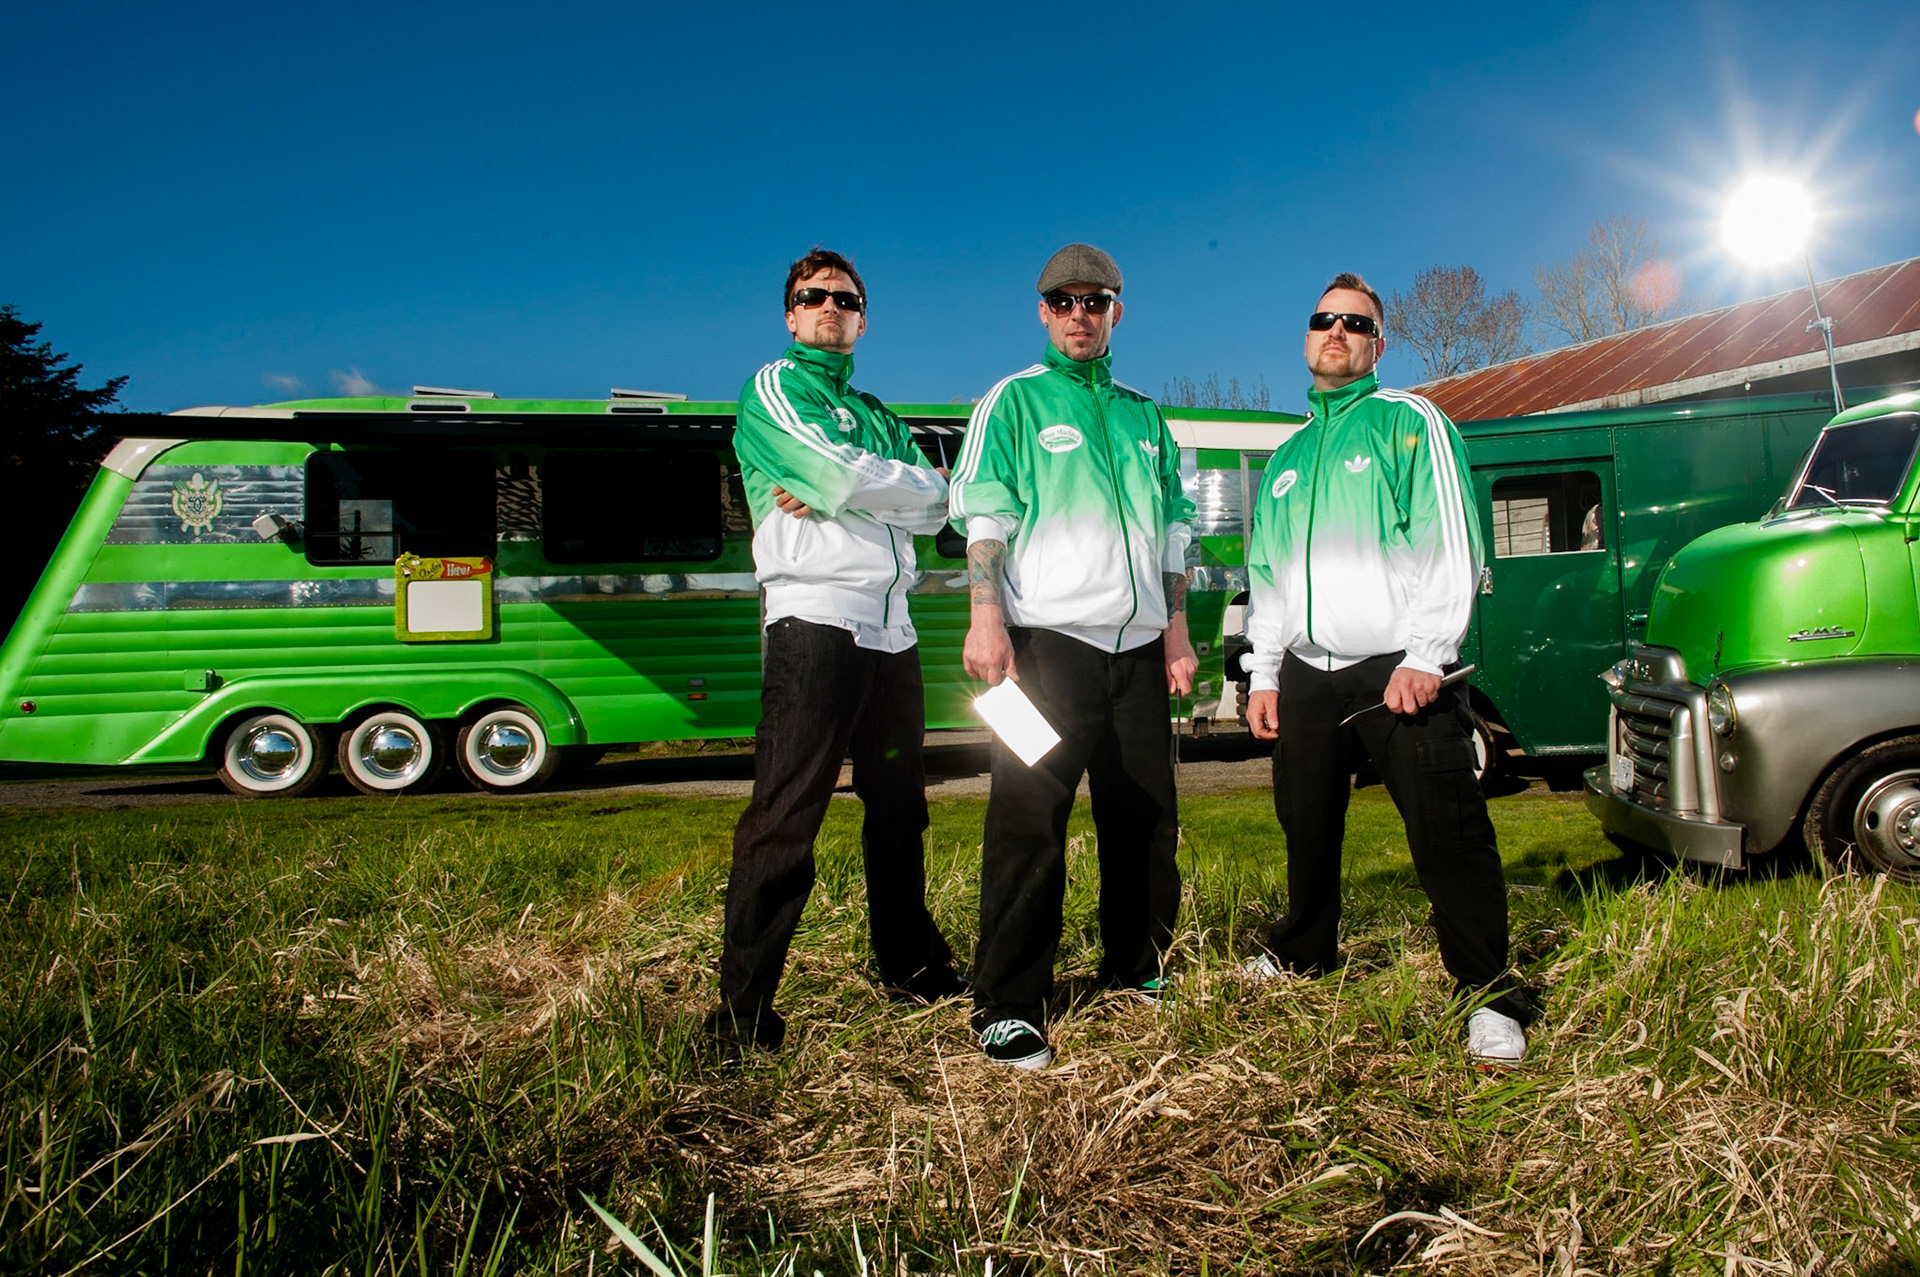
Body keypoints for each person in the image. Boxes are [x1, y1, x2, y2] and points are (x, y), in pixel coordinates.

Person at [1241, 272, 1537, 1063]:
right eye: (1323, 319)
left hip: (1397, 668)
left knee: (1447, 831)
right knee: (1305, 825)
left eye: (1355, 323)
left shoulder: (1411, 422)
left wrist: (1425, 655)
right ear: (1307, 337)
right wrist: (1264, 671)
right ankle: (1305, 949)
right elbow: (1265, 576)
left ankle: (1487, 993)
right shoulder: (1287, 458)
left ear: (1378, 344)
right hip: (1306, 672)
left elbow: (1453, 543)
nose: (1336, 332)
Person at [705, 247, 965, 1053]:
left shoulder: (881, 414)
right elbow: (843, 476)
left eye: (845, 299)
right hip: (815, 622)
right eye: (813, 297)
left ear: (862, 317)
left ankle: (910, 969)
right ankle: (741, 1016)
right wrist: (859, 482)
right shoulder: (773, 388)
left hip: (895, 631)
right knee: (786, 816)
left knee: (901, 812)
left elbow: (937, 501)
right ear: (790, 314)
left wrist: (857, 482)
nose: (829, 308)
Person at [948, 243, 1197, 1069]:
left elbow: (1173, 532)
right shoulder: (1013, 401)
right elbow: (984, 517)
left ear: (1116, 310)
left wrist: (1177, 631)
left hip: (1135, 654)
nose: (1079, 314)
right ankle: (1010, 1002)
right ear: (1043, 312)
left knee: (1144, 815)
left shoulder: (1143, 413)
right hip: (1044, 651)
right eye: (1064, 302)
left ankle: (1137, 966)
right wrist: (988, 623)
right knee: (1028, 819)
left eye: (1095, 301)